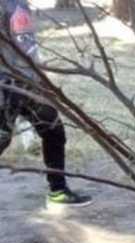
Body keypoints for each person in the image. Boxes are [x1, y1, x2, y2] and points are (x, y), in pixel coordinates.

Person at [0, 0, 92, 206]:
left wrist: (41, 75)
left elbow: (28, 44)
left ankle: (58, 191)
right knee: (2, 140)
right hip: (6, 84)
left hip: (32, 81)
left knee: (54, 131)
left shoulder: (19, 3)